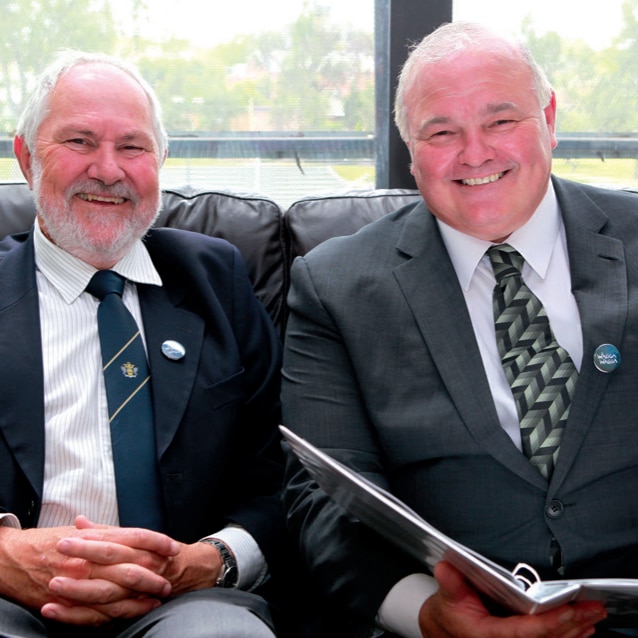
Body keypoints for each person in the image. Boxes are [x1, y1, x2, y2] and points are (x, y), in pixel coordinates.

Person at [281, 21, 638, 638]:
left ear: (549, 119)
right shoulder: (335, 285)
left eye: (501, 122)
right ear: (409, 150)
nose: (476, 153)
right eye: (441, 132)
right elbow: (323, 495)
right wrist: (427, 615)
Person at [0, 50, 286, 637]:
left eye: (132, 147)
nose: (108, 170)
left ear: (160, 160)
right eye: (79, 141)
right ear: (26, 156)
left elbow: (283, 475)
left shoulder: (218, 281)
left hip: (185, 602)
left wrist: (209, 560)